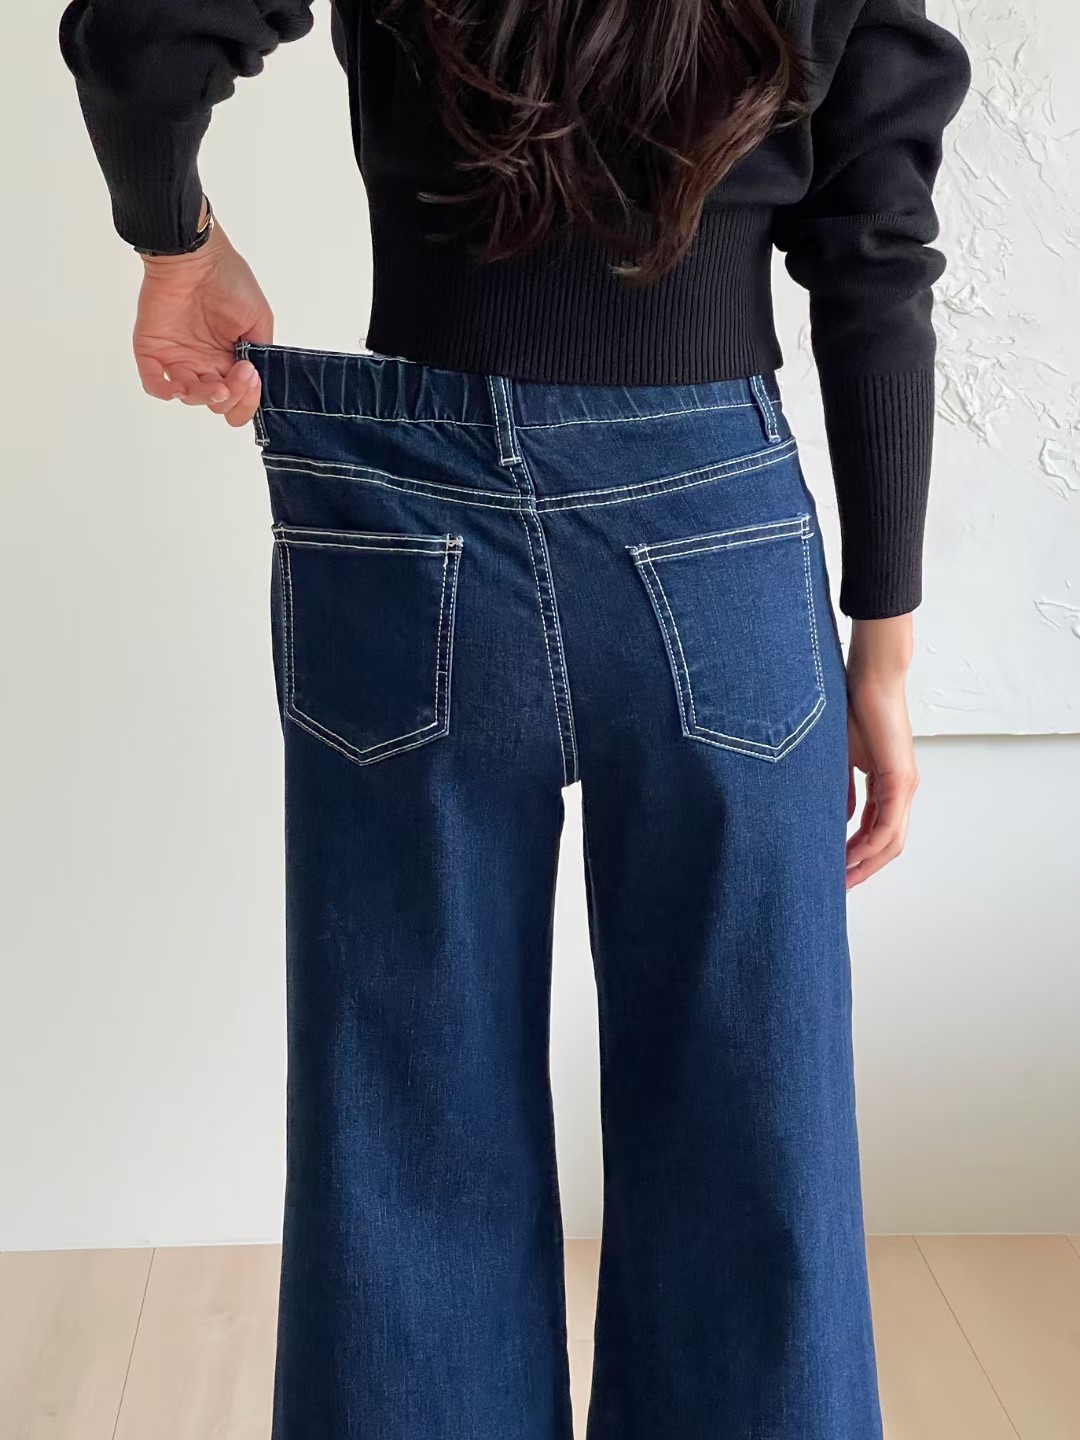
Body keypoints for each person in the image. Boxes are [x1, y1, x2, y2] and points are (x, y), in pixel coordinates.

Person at [58, 2, 972, 1436]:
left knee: (400, 1117)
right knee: (754, 1114)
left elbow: (145, 29)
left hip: (414, 526)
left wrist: (177, 243)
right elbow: (875, 248)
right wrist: (887, 650)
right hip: (714, 537)